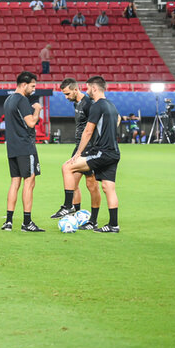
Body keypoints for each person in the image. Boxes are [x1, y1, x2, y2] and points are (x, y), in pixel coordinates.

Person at [61, 76, 121, 233]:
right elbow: (118, 120)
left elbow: (88, 131)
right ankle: (113, 225)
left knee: (68, 167)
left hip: (102, 152)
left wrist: (78, 153)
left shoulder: (97, 106)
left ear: (94, 88)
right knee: (109, 188)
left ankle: (68, 206)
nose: (86, 91)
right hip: (114, 152)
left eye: (88, 88)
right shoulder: (111, 105)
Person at [51, 79, 102, 227]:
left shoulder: (88, 104)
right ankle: (76, 214)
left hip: (90, 147)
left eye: (67, 94)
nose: (66, 97)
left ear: (75, 90)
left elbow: (94, 126)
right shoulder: (76, 103)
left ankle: (92, 220)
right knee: (72, 182)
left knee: (91, 184)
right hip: (79, 146)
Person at [1, 71, 44, 232]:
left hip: (12, 147)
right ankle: (27, 222)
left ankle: (8, 221)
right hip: (25, 147)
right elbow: (31, 123)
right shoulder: (22, 100)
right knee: (29, 181)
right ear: (24, 84)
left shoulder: (8, 100)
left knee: (15, 182)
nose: (34, 89)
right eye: (32, 86)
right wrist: (37, 109)